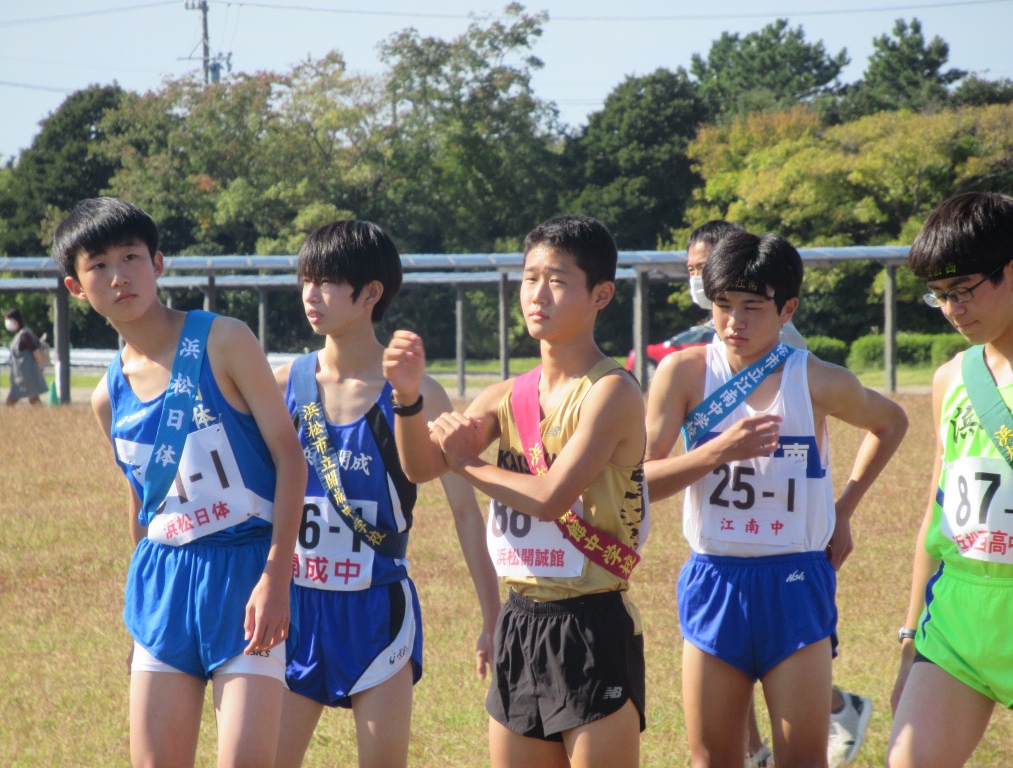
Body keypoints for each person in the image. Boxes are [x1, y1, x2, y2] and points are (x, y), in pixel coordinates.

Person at [384, 214, 648, 768]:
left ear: (602, 294)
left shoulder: (612, 392)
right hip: (520, 621)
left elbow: (550, 496)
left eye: (557, 279)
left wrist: (468, 465)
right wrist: (408, 401)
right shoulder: (507, 394)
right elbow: (420, 468)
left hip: (591, 622)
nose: (537, 293)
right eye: (530, 278)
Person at [52, 197, 307, 768]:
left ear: (159, 263)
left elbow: (291, 458)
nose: (119, 276)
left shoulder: (224, 339)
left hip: (245, 573)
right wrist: (142, 609)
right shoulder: (105, 395)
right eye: (98, 266)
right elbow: (141, 503)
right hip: (163, 585)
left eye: (131, 257)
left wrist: (276, 576)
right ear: (76, 286)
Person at [645, 230, 907, 768]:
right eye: (723, 306)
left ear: (787, 308)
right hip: (716, 576)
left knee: (803, 757)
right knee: (713, 757)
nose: (734, 322)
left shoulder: (813, 379)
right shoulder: (683, 373)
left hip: (795, 578)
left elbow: (891, 422)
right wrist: (716, 452)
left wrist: (844, 509)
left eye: (752, 307)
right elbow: (640, 480)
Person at [272, 220, 501, 768]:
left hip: (379, 613)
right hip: (294, 610)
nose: (311, 294)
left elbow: (467, 515)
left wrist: (492, 617)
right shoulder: (282, 384)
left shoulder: (419, 393)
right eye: (306, 279)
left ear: (371, 292)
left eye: (327, 281)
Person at [888, 192, 1013, 767]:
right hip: (959, 620)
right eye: (939, 296)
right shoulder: (950, 379)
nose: (952, 309)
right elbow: (936, 518)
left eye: (963, 289)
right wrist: (911, 640)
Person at [688, 220, 806, 351]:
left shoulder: (779, 336)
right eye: (691, 270)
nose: (734, 322)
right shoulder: (693, 359)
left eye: (751, 307)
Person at [4, 307, 49, 405]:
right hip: (22, 374)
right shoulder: (20, 334)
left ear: (15, 320)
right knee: (33, 399)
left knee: (11, 400)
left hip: (26, 374)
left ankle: (4, 418)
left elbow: (35, 350)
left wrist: (40, 366)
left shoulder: (24, 335)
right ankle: (42, 417)